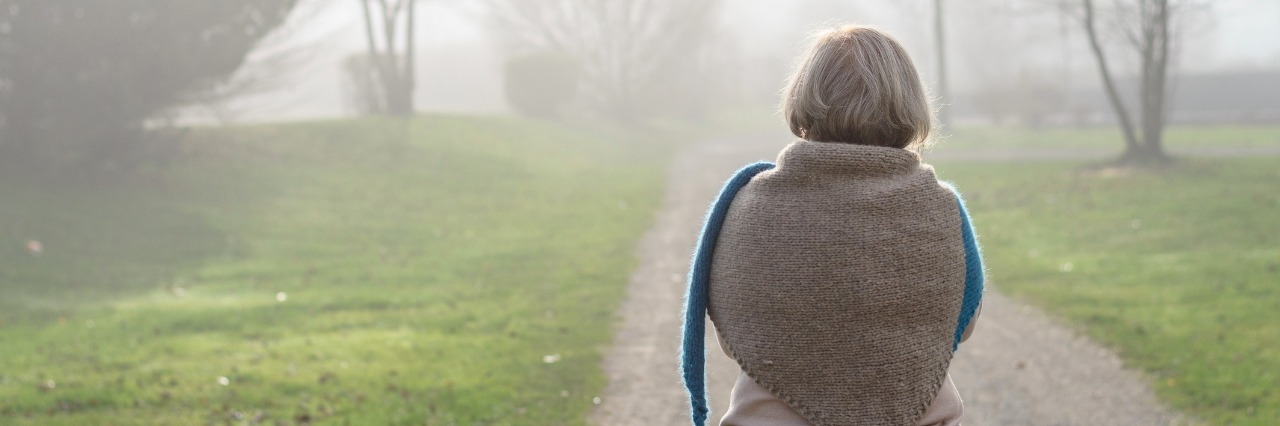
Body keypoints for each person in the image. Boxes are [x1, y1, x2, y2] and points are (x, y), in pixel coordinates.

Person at [680, 25, 985, 426]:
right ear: (910, 104)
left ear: (803, 97)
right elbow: (961, 325)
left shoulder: (747, 204)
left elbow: (735, 333)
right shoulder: (942, 209)